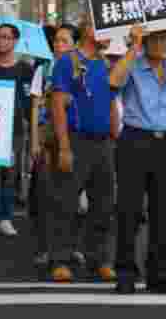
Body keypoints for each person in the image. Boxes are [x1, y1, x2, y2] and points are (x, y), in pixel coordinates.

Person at [109, 24, 166, 294]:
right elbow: (113, 81)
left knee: (162, 212)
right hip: (134, 141)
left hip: (164, 145)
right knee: (129, 210)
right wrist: (134, 46)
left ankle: (159, 274)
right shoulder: (133, 65)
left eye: (164, 37)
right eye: (153, 37)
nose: (158, 43)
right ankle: (125, 272)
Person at [43, 17, 119, 283]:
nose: (111, 36)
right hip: (76, 139)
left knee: (104, 204)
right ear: (89, 30)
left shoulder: (103, 63)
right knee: (66, 201)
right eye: (105, 29)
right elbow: (57, 103)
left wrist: (113, 133)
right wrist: (64, 146)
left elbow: (110, 101)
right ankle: (60, 259)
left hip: (103, 143)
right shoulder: (69, 61)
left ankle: (98, 259)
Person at [30, 24, 77, 266]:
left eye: (65, 41)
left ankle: (71, 246)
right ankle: (45, 247)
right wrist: (34, 142)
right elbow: (36, 105)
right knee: (47, 194)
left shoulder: (82, 69)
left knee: (72, 196)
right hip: (48, 138)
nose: (59, 45)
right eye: (57, 41)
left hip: (75, 136)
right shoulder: (43, 69)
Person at [0, 23, 34, 236]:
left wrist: (30, 125)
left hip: (14, 130)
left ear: (14, 41)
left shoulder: (24, 70)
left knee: (10, 174)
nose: (1, 41)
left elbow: (31, 99)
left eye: (6, 37)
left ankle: (5, 216)